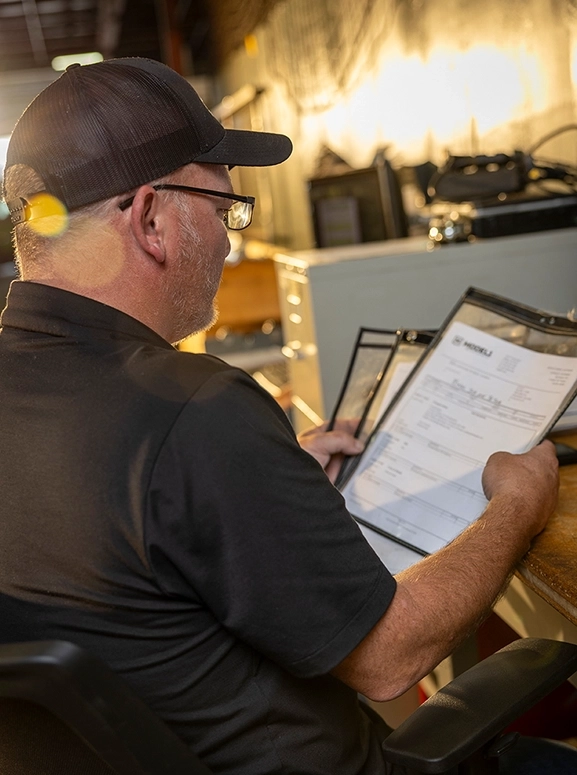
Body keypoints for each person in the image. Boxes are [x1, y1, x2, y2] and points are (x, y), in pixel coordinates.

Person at [0, 57, 572, 775]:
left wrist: (256, 480)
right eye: (221, 211)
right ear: (150, 218)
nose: (229, 241)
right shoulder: (191, 411)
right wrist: (518, 504)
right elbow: (389, 657)